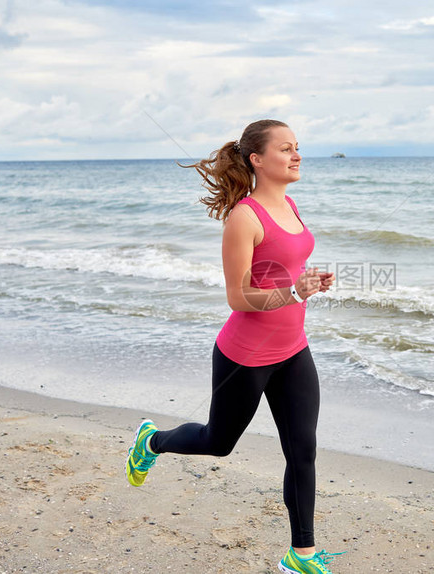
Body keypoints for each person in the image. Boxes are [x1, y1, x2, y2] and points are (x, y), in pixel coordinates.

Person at [125, 119, 341, 574]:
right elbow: (238, 296)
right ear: (258, 160)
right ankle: (152, 441)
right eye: (286, 149)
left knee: (303, 449)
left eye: (298, 147)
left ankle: (300, 555)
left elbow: (282, 269)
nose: (297, 155)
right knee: (217, 442)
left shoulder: (290, 204)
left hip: (292, 349)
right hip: (244, 356)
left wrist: (308, 283)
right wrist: (296, 293)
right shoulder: (244, 217)